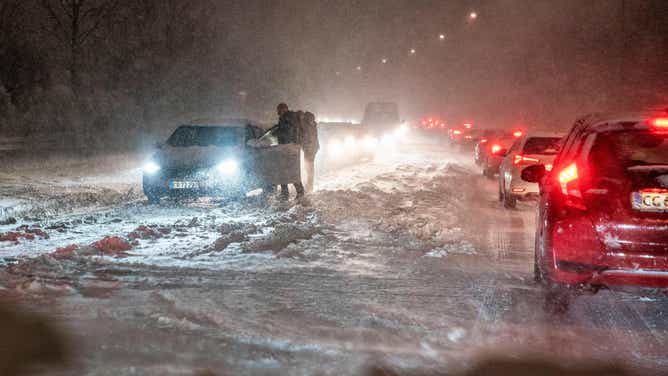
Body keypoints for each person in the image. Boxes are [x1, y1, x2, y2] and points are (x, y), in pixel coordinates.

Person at [274, 103, 305, 199]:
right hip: (288, 148)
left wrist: (278, 132)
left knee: (290, 171)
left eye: (280, 110)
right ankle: (286, 192)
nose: (279, 112)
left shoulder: (288, 117)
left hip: (289, 148)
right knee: (285, 171)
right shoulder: (287, 118)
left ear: (284, 109)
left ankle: (298, 192)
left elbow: (287, 132)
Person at [301, 111, 320, 193]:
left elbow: (308, 138)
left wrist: (305, 146)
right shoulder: (313, 124)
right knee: (309, 168)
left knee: (309, 168)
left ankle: (309, 186)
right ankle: (309, 185)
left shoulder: (308, 126)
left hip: (310, 149)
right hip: (312, 148)